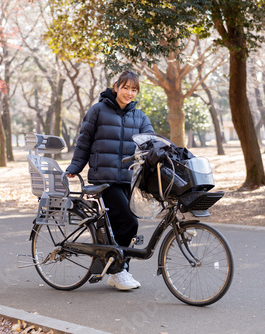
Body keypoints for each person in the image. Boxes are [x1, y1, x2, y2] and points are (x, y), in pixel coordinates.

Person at [66, 71, 154, 290]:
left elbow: (151, 142)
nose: (129, 93)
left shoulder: (140, 117)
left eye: (134, 90)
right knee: (129, 221)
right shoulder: (98, 111)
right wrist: (75, 167)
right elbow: (84, 142)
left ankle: (117, 267)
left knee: (123, 225)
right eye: (126, 88)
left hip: (127, 179)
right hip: (103, 179)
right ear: (116, 87)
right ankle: (118, 271)